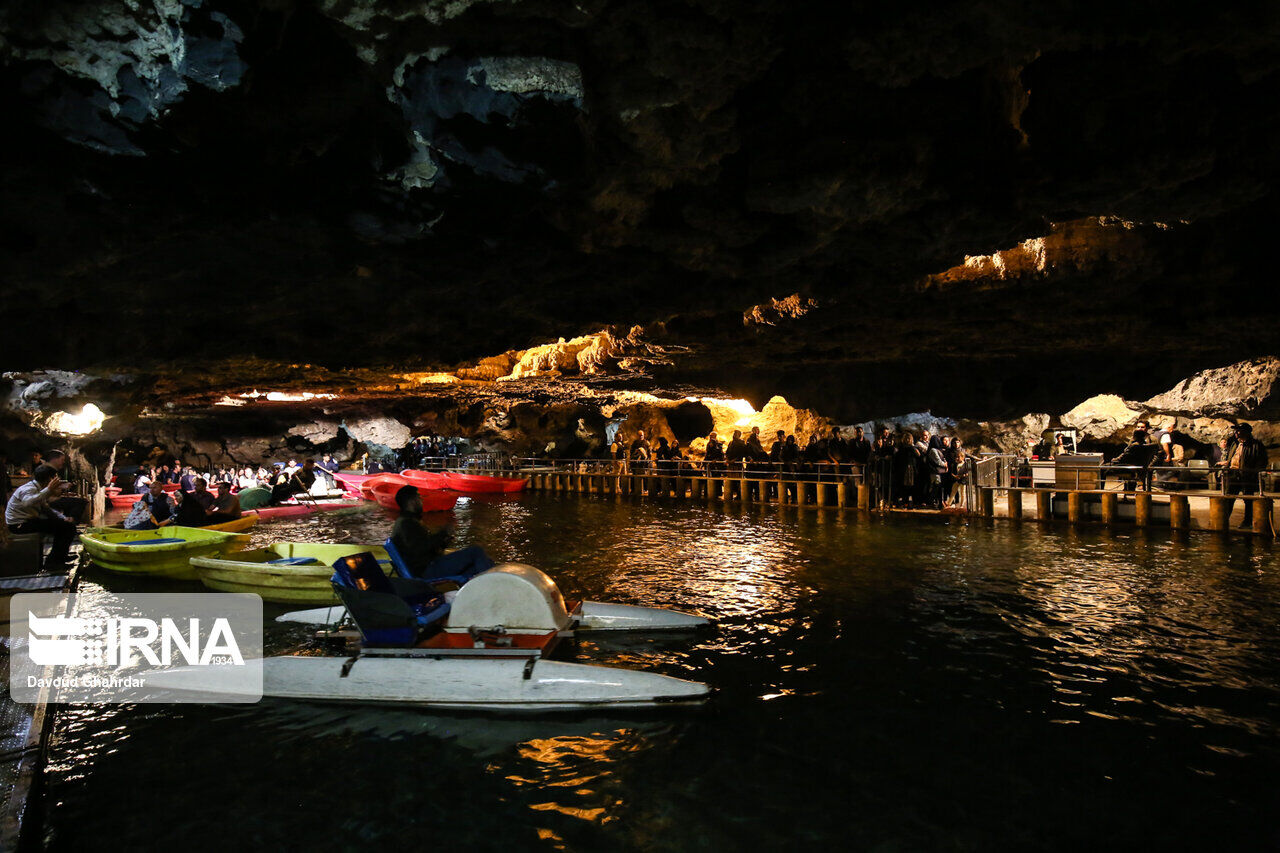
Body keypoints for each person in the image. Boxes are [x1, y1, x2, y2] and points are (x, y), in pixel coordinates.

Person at [390, 485, 492, 581]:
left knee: (483, 563)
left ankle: (485, 586)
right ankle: (492, 585)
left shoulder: (406, 521)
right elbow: (421, 548)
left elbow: (423, 547)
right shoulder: (407, 524)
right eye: (419, 498)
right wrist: (443, 532)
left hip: (428, 565)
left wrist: (444, 542)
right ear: (412, 501)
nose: (421, 501)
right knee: (476, 551)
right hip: (427, 570)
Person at [5, 465, 76, 566]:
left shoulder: (38, 488)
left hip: (28, 521)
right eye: (55, 478)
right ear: (49, 479)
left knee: (66, 526)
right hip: (19, 525)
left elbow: (45, 508)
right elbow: (27, 502)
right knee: (66, 528)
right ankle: (54, 561)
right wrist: (48, 490)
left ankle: (59, 557)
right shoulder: (29, 489)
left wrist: (63, 518)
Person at [1220, 423, 1269, 528]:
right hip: (1233, 475)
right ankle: (1224, 520)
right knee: (1229, 498)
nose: (1236, 433)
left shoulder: (1256, 445)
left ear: (1246, 432)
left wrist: (1253, 473)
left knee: (1248, 500)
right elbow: (1231, 457)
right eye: (1236, 430)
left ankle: (1247, 522)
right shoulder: (1235, 444)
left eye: (1239, 430)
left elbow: (1262, 461)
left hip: (1247, 476)